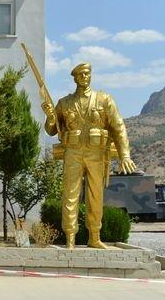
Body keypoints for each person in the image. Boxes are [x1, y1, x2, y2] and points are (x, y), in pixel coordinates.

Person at [42, 62, 136, 248]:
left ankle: (94, 237)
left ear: (91, 76)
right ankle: (70, 237)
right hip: (73, 153)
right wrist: (51, 116)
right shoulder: (64, 103)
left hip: (96, 154)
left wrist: (125, 155)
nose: (84, 77)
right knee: (70, 195)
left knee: (95, 195)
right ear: (75, 78)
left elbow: (118, 127)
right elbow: (51, 130)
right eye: (80, 74)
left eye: (87, 73)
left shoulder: (104, 99)